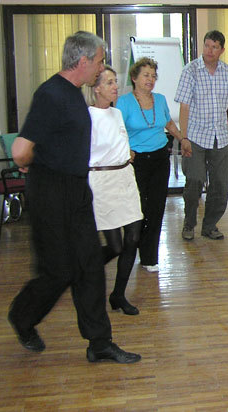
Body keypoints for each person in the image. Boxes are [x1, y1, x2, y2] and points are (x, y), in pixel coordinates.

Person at [8, 31, 140, 363]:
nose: (101, 67)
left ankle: (99, 342)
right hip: (51, 194)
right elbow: (20, 151)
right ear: (82, 62)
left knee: (90, 266)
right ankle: (22, 318)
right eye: (99, 61)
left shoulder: (73, 95)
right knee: (58, 271)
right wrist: (32, 166)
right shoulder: (51, 94)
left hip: (78, 191)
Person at [175, 30, 228, 240]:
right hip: (196, 137)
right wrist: (184, 137)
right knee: (195, 180)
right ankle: (189, 223)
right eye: (207, 45)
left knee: (220, 185)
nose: (209, 50)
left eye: (214, 47)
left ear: (222, 50)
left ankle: (210, 225)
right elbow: (184, 107)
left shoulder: (227, 72)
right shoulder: (190, 71)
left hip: (220, 138)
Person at [117, 57, 185, 271]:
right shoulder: (124, 102)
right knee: (140, 209)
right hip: (136, 160)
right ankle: (134, 247)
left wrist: (183, 139)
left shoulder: (160, 99)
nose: (151, 79)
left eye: (154, 76)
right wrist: (125, 149)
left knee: (156, 208)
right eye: (146, 75)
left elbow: (169, 123)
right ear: (134, 78)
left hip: (159, 158)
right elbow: (118, 130)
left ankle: (149, 258)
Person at [87, 66, 144, 315]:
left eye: (115, 82)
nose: (115, 86)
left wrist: (128, 152)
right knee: (116, 246)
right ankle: (83, 267)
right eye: (109, 82)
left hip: (125, 178)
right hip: (103, 182)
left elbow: (122, 142)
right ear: (96, 87)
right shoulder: (86, 117)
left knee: (133, 238)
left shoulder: (117, 113)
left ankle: (118, 295)